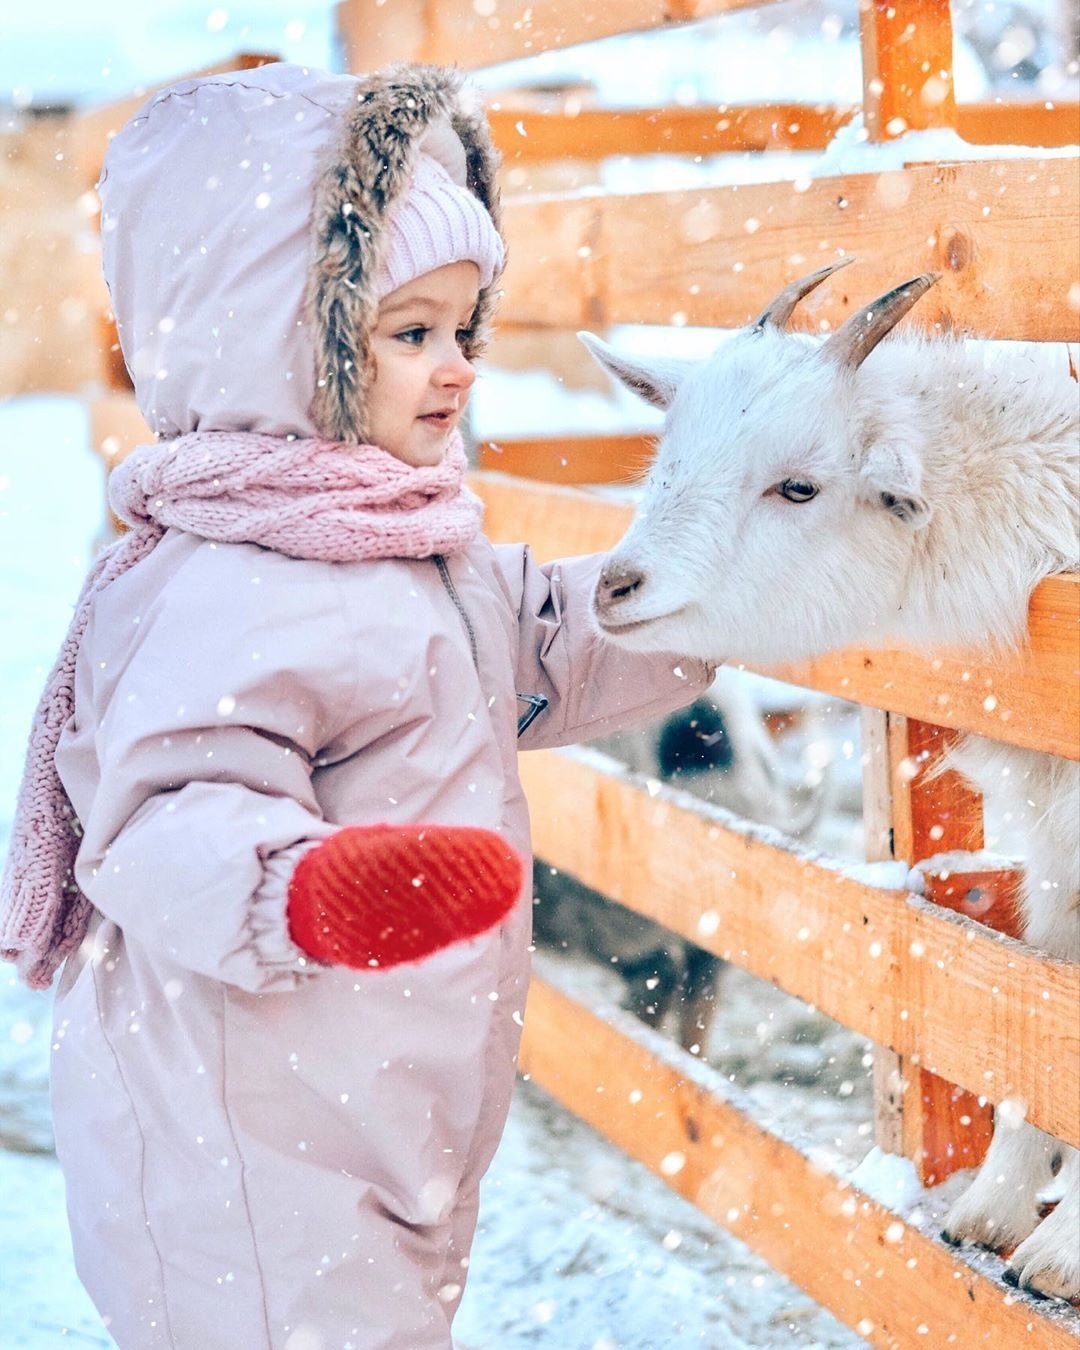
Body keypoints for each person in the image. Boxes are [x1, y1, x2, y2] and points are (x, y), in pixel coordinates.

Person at [0, 62, 713, 1348]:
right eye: (407, 333)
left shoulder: (400, 543)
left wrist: (704, 595)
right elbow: (166, 822)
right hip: (254, 1151)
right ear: (290, 346)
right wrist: (309, 890)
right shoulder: (223, 582)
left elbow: (540, 642)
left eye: (465, 328)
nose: (458, 370)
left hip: (371, 1107)